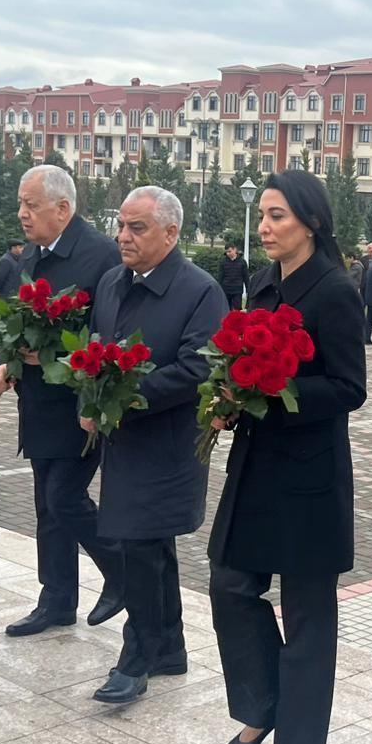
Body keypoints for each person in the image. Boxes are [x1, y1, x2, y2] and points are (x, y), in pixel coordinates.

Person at [207, 169, 367, 744]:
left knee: (307, 611)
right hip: (256, 462)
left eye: (277, 216)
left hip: (309, 473)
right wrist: (231, 394)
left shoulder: (335, 291)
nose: (266, 226)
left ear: (311, 222)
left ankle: (300, 741)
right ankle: (263, 705)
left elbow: (349, 388)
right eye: (264, 215)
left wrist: (274, 388)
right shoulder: (263, 281)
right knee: (228, 582)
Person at [85, 186, 228, 705]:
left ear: (171, 233)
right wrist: (93, 397)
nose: (123, 236)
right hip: (122, 442)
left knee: (139, 547)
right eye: (120, 225)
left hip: (168, 445)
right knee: (149, 548)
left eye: (137, 228)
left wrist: (122, 399)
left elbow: (197, 368)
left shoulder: (200, 291)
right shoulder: (110, 283)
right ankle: (169, 647)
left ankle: (137, 655)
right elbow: (95, 353)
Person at [0, 165, 124, 636]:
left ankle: (121, 571)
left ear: (63, 209)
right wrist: (10, 361)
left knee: (64, 497)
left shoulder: (101, 256)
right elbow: (21, 320)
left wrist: (55, 352)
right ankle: (56, 600)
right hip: (38, 402)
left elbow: (109, 333)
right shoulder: (32, 255)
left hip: (79, 404)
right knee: (46, 505)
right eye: (21, 204)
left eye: (31, 204)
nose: (22, 213)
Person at [218, 243, 249, 311]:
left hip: (237, 290)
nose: (228, 253)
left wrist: (248, 289)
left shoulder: (242, 262)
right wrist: (219, 289)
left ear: (235, 250)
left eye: (229, 251)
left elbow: (246, 277)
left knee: (237, 309)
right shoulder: (223, 262)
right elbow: (220, 277)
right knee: (225, 309)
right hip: (226, 289)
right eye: (226, 252)